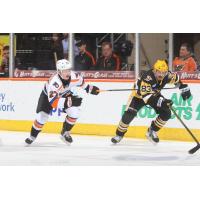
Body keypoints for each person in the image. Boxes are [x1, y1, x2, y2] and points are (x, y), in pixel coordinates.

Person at [111, 60, 191, 144]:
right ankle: (119, 135)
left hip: (154, 94)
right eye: (159, 72)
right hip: (138, 96)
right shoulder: (147, 77)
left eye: (163, 72)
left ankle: (151, 131)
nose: (161, 74)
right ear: (154, 70)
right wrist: (163, 102)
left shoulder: (167, 75)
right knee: (128, 115)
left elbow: (177, 80)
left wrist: (183, 88)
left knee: (166, 113)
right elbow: (147, 97)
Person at [25, 59, 100, 145]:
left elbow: (84, 85)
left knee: (75, 112)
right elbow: (53, 102)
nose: (68, 72)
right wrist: (70, 101)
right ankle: (32, 136)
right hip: (48, 97)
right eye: (65, 71)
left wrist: (92, 89)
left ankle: (65, 133)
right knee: (42, 117)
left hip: (64, 94)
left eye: (68, 69)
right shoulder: (54, 83)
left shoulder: (74, 76)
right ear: (59, 72)